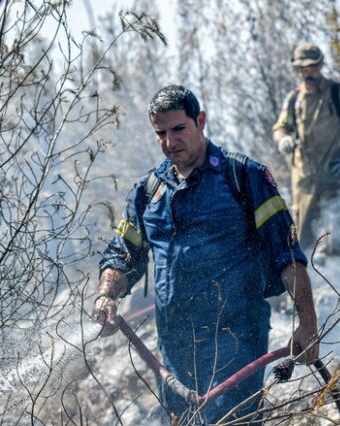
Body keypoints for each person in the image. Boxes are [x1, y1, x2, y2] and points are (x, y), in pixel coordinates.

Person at [94, 85, 319, 424]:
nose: (170, 142)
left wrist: (308, 323)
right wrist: (106, 295)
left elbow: (287, 256)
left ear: (200, 121)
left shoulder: (244, 177)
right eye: (161, 133)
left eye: (179, 129)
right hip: (175, 345)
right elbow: (124, 254)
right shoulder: (147, 191)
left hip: (237, 339)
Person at [272, 42, 340, 249]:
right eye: (302, 69)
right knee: (302, 245)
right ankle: (309, 281)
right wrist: (283, 139)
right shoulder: (293, 99)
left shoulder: (339, 94)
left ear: (320, 66)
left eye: (312, 67)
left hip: (336, 177)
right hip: (305, 182)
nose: (307, 73)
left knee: (338, 241)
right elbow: (279, 128)